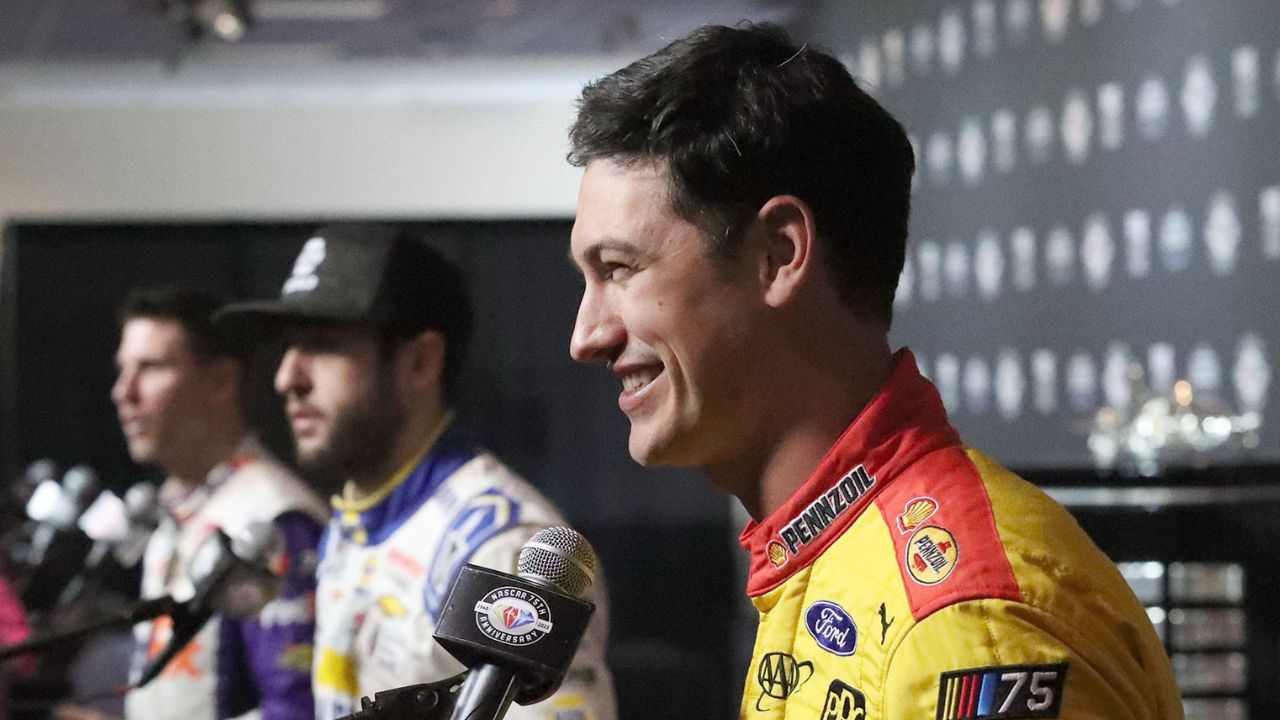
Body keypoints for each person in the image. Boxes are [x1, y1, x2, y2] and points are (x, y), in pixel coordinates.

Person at [565, 23, 1182, 720]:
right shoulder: (827, 557)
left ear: (778, 254)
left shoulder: (961, 627)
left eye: (618, 270)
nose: (586, 337)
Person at [215, 226, 617, 720]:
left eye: (322, 345)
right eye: (286, 348)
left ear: (421, 362)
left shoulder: (500, 546)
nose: (286, 379)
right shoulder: (356, 515)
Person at [111, 288, 327, 720]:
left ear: (222, 381)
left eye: (151, 368)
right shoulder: (180, 508)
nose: (124, 392)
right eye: (123, 370)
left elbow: (294, 708)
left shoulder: (272, 518)